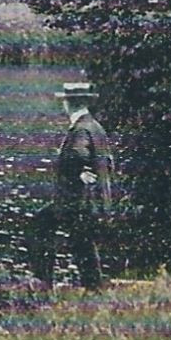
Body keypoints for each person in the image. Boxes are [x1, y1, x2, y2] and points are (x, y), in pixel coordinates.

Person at [27, 81, 114, 289]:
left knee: (40, 226)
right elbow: (108, 162)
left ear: (68, 103)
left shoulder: (81, 129)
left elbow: (78, 154)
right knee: (83, 245)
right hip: (92, 201)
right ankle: (94, 289)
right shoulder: (95, 126)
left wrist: (80, 171)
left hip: (76, 202)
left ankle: (43, 281)